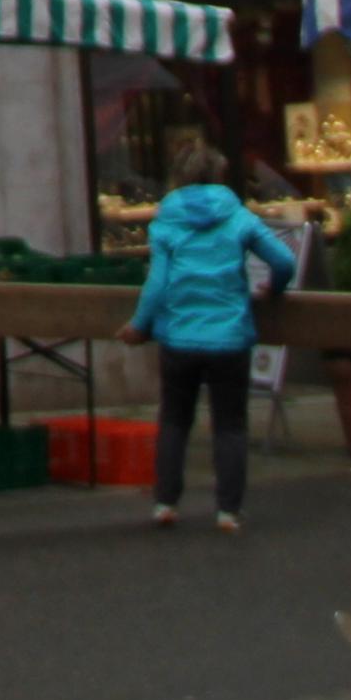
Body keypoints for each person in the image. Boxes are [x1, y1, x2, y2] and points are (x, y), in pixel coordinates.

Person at [119, 134, 294, 532]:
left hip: (179, 337)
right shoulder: (238, 217)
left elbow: (157, 283)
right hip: (229, 337)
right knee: (230, 424)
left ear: (178, 178)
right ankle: (228, 510)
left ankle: (166, 503)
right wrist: (274, 288)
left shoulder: (166, 222)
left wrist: (139, 325)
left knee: (174, 420)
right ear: (219, 175)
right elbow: (283, 260)